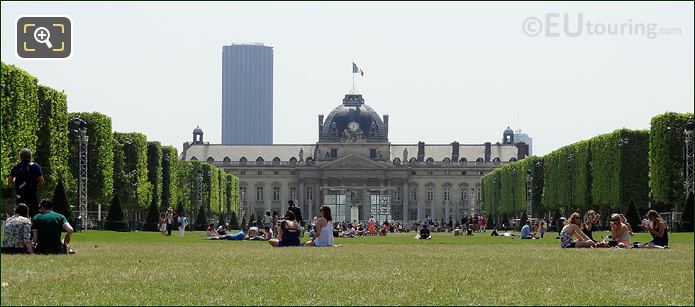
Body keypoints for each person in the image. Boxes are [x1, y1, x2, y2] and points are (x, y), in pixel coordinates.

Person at [7, 148, 44, 217]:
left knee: (20, 215)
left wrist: (16, 182)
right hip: (32, 195)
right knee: (34, 215)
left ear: (20, 157)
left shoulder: (16, 166)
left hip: (20, 195)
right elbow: (41, 181)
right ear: (30, 156)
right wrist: (34, 183)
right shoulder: (36, 166)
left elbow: (9, 181)